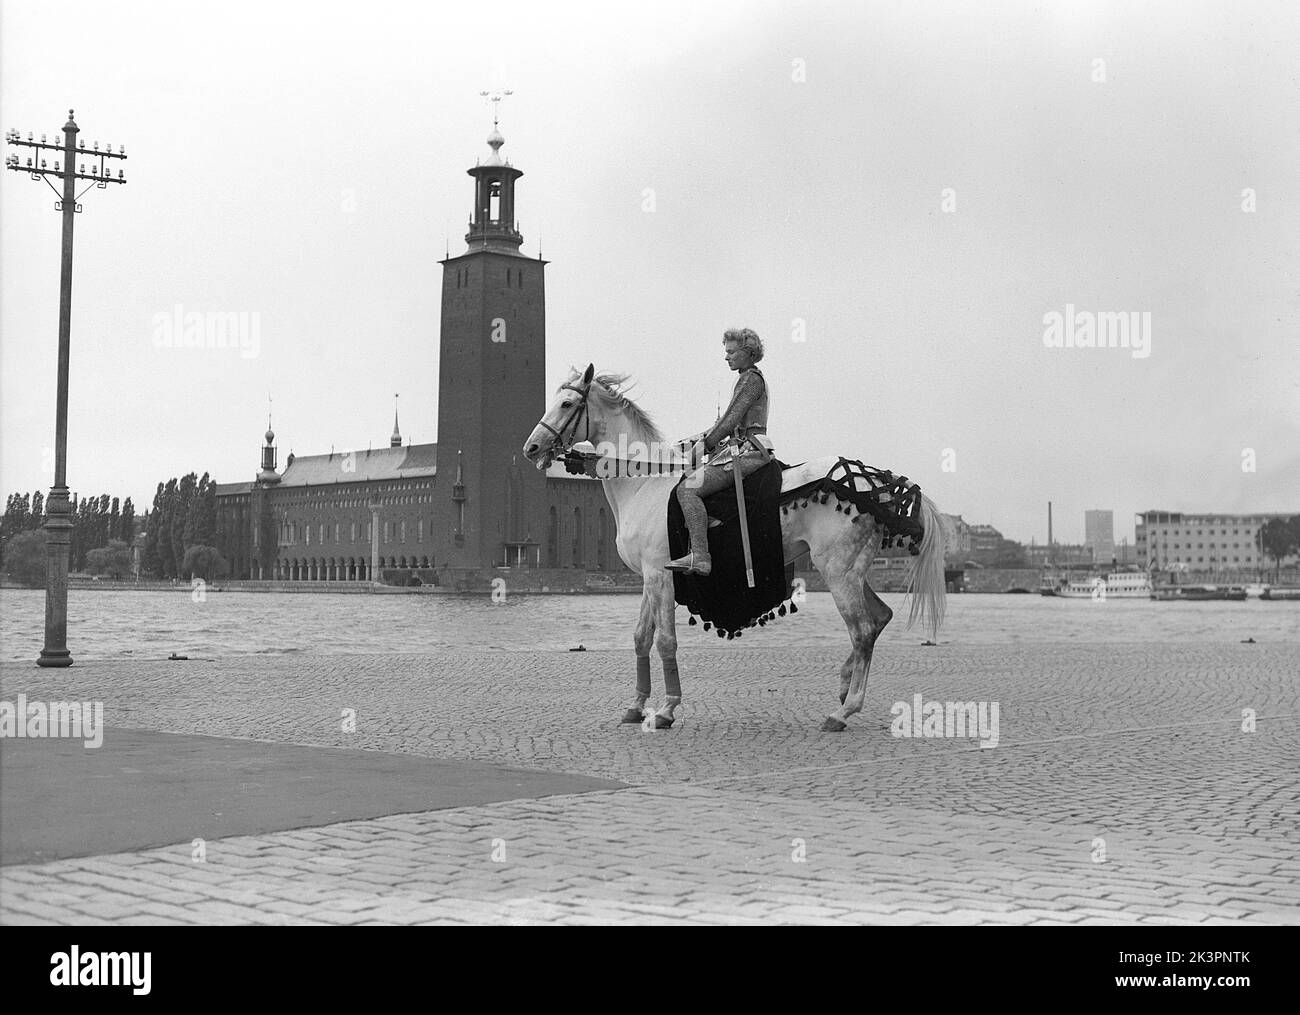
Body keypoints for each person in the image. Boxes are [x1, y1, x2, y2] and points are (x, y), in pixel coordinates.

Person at [666, 327, 773, 576]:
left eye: (731, 352)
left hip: (749, 451)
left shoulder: (750, 379)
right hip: (746, 448)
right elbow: (727, 423)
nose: (727, 357)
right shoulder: (749, 377)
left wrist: (702, 446)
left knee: (687, 489)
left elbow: (728, 421)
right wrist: (695, 441)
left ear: (748, 352)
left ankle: (701, 557)